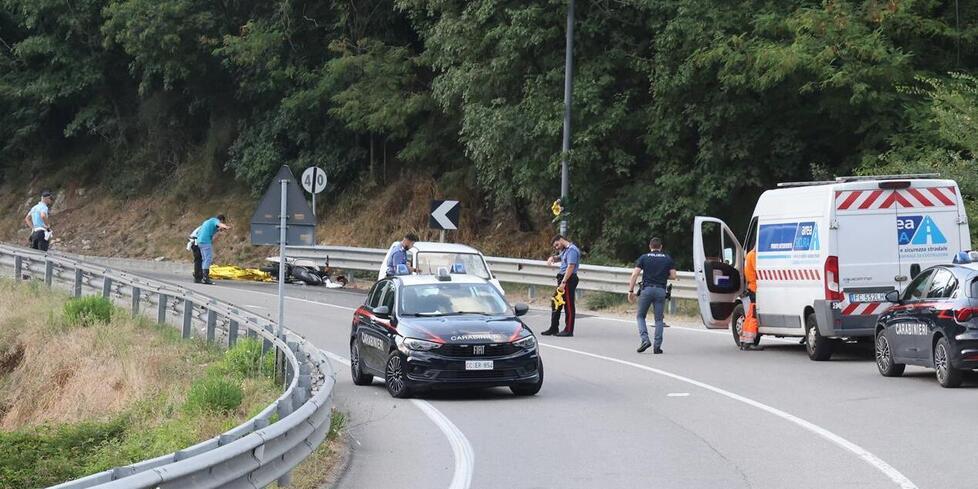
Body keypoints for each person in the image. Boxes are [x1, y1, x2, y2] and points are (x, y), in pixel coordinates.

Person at [628, 237, 677, 354]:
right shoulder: (667, 258)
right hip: (660, 290)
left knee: (640, 316)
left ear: (650, 247)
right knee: (659, 319)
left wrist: (630, 291)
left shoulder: (644, 257)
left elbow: (635, 274)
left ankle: (645, 340)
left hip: (647, 290)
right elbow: (673, 276)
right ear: (661, 247)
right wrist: (663, 276)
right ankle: (657, 346)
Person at [542, 235, 580, 337]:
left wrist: (563, 282)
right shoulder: (565, 250)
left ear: (561, 240)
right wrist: (552, 258)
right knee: (556, 302)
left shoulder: (572, 250)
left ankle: (568, 330)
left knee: (568, 305)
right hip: (563, 279)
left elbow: (571, 266)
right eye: (555, 246)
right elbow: (560, 258)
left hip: (568, 279)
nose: (556, 247)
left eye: (557, 244)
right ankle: (554, 328)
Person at [195, 214, 230, 285]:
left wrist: (218, 229)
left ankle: (203, 277)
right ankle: (205, 278)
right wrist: (226, 226)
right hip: (205, 241)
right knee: (208, 259)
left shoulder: (207, 221)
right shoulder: (215, 220)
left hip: (199, 241)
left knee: (204, 259)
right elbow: (219, 224)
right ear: (221, 220)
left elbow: (209, 230)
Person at [740, 247, 762, 351]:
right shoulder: (753, 256)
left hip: (750, 288)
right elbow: (759, 270)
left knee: (749, 316)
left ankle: (744, 341)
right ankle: (749, 342)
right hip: (755, 288)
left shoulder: (748, 255)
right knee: (753, 316)